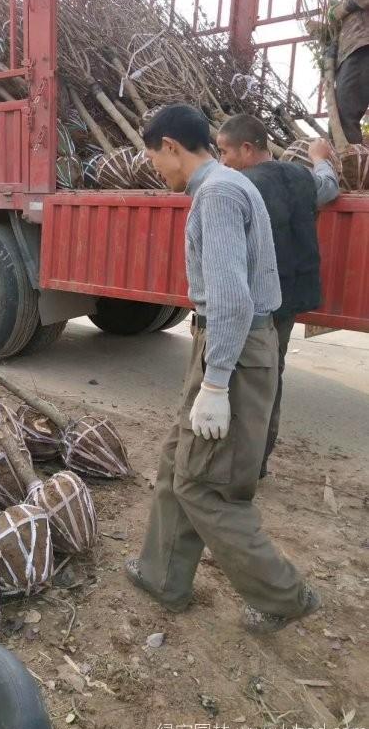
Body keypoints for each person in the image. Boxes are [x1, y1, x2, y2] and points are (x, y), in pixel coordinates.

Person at [126, 104, 320, 634]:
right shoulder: (229, 187)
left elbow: (232, 297)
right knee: (177, 461)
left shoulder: (216, 195)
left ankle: (283, 596)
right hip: (224, 344)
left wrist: (215, 384)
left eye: (153, 157)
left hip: (231, 350)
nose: (155, 170)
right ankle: (161, 575)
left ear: (171, 146)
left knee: (206, 485)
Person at [217, 115, 340, 478]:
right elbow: (329, 186)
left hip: (252, 303)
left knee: (239, 378)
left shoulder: (241, 185)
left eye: (225, 152)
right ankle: (257, 463)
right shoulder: (301, 178)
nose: (222, 161)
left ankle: (233, 464)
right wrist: (320, 157)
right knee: (272, 376)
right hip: (288, 299)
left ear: (247, 149)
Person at [329, 0, 369, 144]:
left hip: (362, 47)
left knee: (342, 119)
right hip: (358, 47)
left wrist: (343, 8)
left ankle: (349, 174)